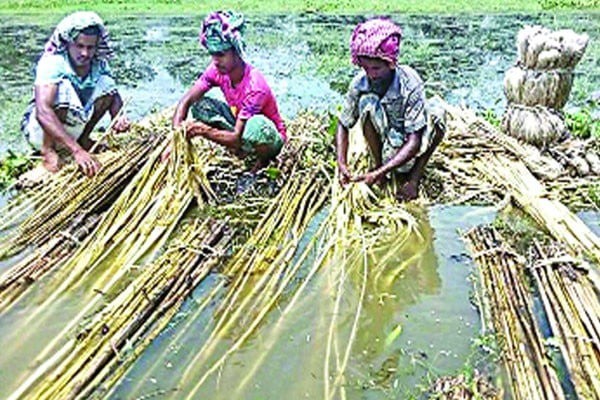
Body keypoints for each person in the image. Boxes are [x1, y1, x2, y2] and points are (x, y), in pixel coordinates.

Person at [336, 17, 445, 200]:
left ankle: (414, 179)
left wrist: (383, 173)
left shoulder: (409, 83)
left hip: (406, 140)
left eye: (376, 68)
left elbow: (414, 141)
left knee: (439, 115)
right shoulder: (360, 83)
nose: (371, 74)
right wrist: (342, 164)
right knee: (367, 104)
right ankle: (378, 167)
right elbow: (343, 124)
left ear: (391, 63)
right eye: (366, 68)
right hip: (385, 135)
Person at [165, 11, 287, 171]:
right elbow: (186, 100)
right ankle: (241, 149)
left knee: (255, 128)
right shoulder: (216, 70)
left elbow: (237, 137)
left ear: (236, 51)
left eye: (221, 54)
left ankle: (261, 161)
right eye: (212, 54)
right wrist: (176, 138)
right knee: (200, 105)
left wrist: (203, 131)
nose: (215, 61)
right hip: (240, 124)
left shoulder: (255, 86)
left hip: (266, 137)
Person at [21, 11, 130, 177]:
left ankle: (83, 138)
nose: (85, 53)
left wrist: (119, 116)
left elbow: (113, 95)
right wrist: (77, 151)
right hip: (39, 131)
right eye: (79, 46)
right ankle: (48, 150)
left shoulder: (98, 64)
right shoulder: (53, 62)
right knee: (61, 91)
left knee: (107, 84)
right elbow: (43, 111)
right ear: (69, 43)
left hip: (72, 127)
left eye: (90, 47)